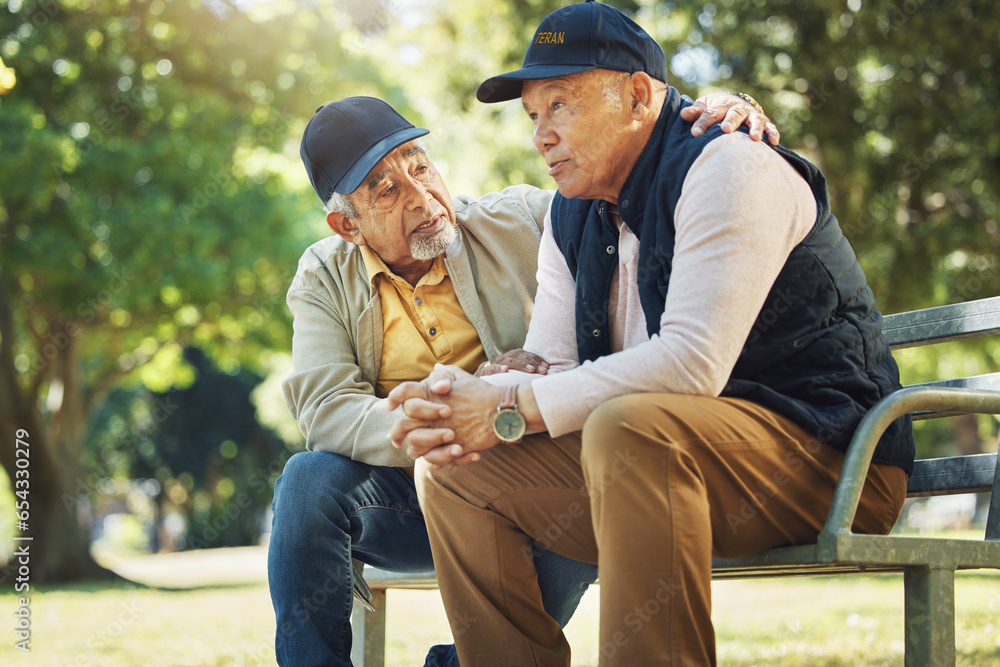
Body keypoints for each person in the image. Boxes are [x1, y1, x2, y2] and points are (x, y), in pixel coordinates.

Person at [388, 1, 916, 665]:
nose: (540, 136)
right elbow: (552, 369)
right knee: (452, 467)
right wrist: (467, 397)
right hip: (662, 463)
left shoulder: (727, 164)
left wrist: (505, 406)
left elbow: (692, 363)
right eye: (532, 115)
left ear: (638, 95)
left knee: (628, 426)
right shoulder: (568, 216)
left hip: (834, 461)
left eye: (561, 105)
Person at [268, 89, 775, 666]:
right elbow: (326, 408)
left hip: (530, 477)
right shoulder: (323, 276)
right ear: (347, 225)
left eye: (420, 167)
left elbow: (614, 190)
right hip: (405, 493)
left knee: (591, 484)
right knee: (307, 479)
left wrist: (708, 118)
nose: (422, 197)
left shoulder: (519, 217)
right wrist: (450, 418)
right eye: (387, 190)